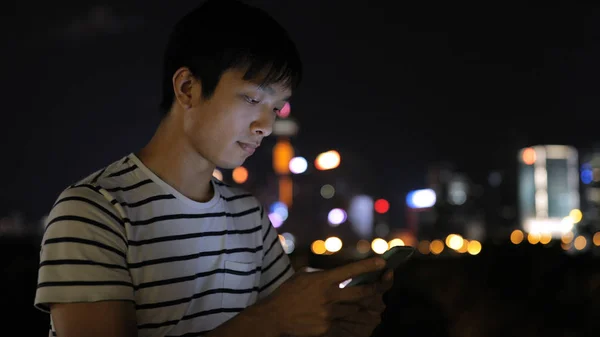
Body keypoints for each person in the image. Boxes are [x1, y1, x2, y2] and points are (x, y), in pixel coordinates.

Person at [34, 0, 392, 336]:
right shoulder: (93, 211)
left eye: (277, 108)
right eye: (253, 98)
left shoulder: (249, 216)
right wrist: (272, 319)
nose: (265, 125)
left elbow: (289, 322)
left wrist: (339, 321)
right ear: (187, 88)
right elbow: (275, 319)